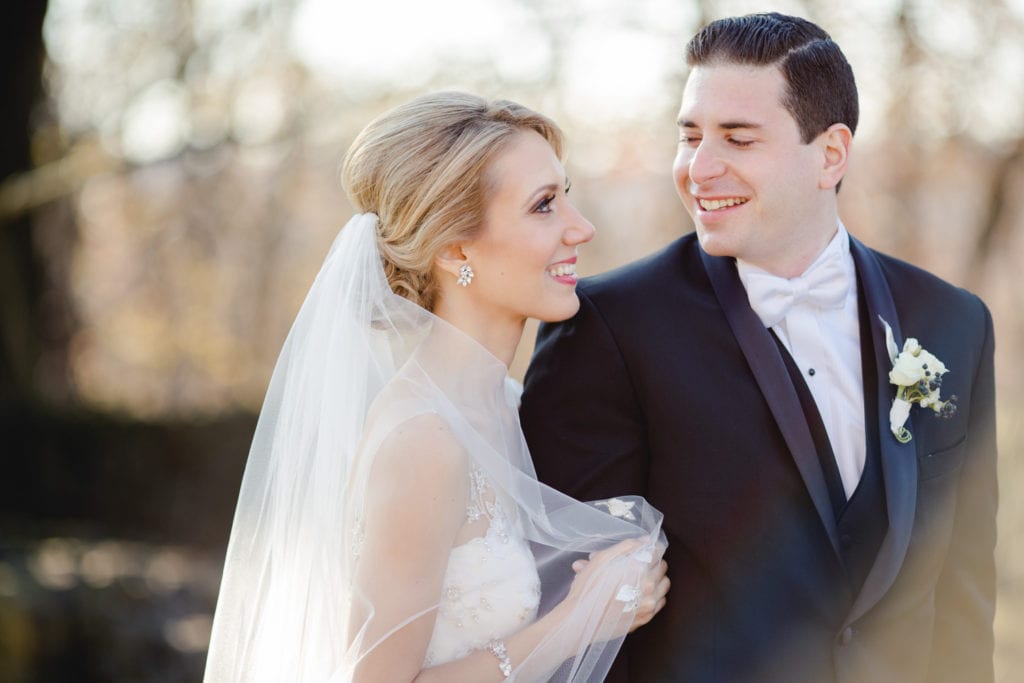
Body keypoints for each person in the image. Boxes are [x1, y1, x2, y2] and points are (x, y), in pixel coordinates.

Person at [521, 12, 996, 683]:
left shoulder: (953, 321)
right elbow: (573, 616)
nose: (699, 168)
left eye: (738, 139)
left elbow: (963, 592)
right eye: (690, 137)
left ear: (830, 154)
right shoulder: (608, 328)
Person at [203, 92, 670, 683]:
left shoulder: (502, 400)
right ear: (454, 250)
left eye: (566, 196)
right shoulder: (424, 440)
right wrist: (579, 619)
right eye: (544, 206)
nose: (582, 228)